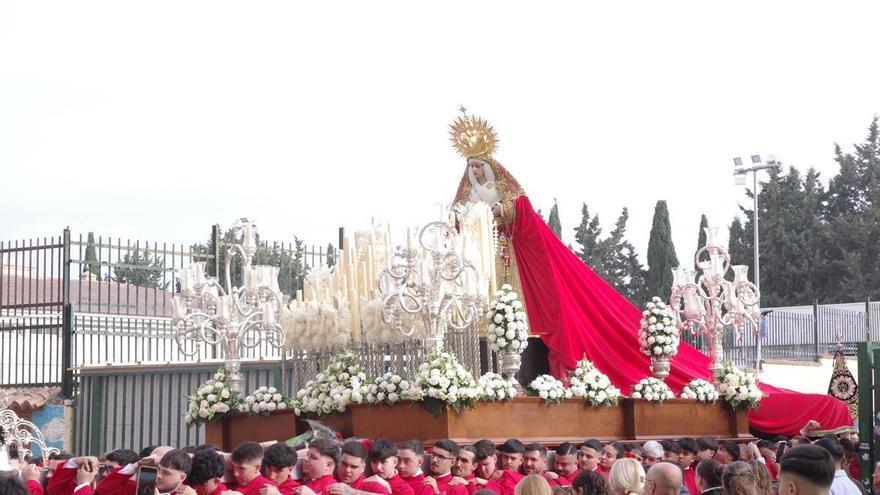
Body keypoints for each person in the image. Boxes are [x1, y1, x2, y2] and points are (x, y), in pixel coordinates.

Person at [448, 109, 852, 436]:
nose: (477, 178)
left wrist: (495, 213)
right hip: (494, 274)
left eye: (482, 171)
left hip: (521, 272)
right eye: (473, 174)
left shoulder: (514, 199)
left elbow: (521, 220)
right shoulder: (469, 201)